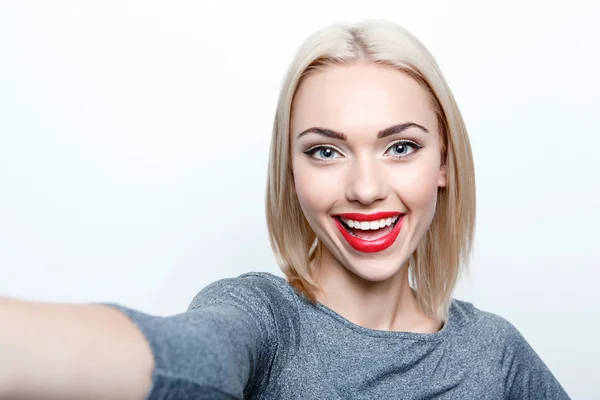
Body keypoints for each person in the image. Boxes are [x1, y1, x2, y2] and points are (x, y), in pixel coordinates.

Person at [0, 19, 570, 399]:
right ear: (291, 173)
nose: (366, 188)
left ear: (443, 164)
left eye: (401, 147)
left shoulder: (493, 354)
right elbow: (185, 356)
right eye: (326, 151)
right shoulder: (261, 319)